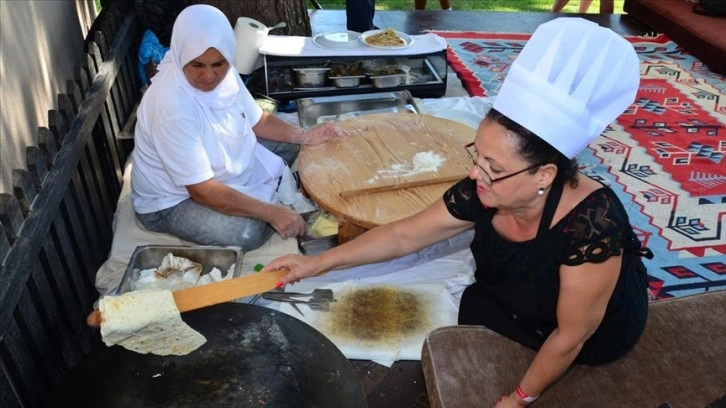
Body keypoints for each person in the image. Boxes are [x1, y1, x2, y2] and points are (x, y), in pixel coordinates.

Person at [263, 17, 651, 407]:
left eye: (493, 168)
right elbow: (405, 235)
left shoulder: (593, 226)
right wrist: (316, 264)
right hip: (514, 305)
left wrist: (518, 399)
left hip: (588, 335)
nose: (474, 173)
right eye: (477, 156)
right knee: (474, 309)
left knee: (558, 352)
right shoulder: (484, 188)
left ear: (544, 174)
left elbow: (572, 335)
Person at [130, 4, 345, 252]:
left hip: (213, 167)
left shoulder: (227, 72)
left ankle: (258, 190)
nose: (209, 76)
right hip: (172, 200)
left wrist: (305, 136)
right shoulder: (170, 108)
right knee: (247, 232)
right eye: (197, 65)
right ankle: (263, 194)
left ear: (228, 54)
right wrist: (272, 213)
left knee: (290, 142)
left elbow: (257, 121)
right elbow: (202, 191)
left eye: (218, 64)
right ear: (180, 56)